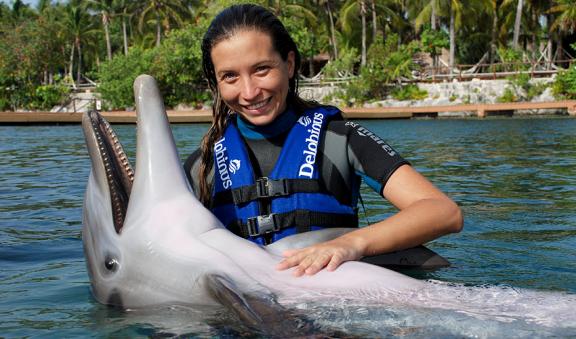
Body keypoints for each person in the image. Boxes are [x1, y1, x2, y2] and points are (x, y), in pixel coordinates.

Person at [185, 4, 463, 277]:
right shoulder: (203, 165)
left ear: (289, 64)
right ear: (216, 83)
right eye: (230, 76)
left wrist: (350, 244)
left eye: (261, 69)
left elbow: (443, 212)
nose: (248, 92)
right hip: (241, 312)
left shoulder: (340, 139)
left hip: (332, 306)